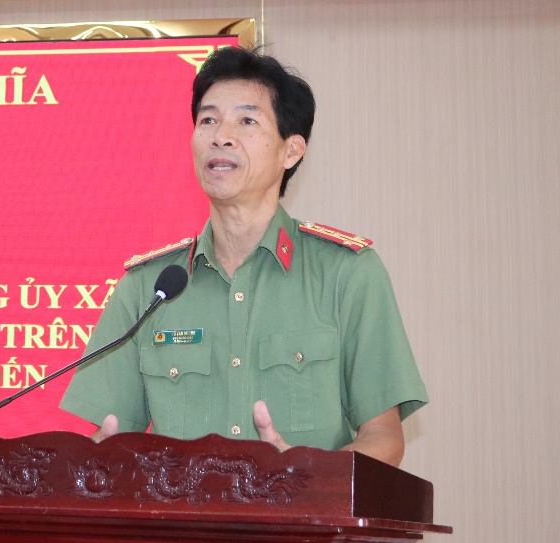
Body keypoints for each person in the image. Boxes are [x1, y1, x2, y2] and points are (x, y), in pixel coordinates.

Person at [59, 45, 427, 466]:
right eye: (208, 120)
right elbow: (107, 440)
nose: (221, 135)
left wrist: (310, 478)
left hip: (307, 512)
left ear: (291, 151)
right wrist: (91, 463)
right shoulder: (149, 287)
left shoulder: (348, 274)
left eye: (247, 120)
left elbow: (384, 438)